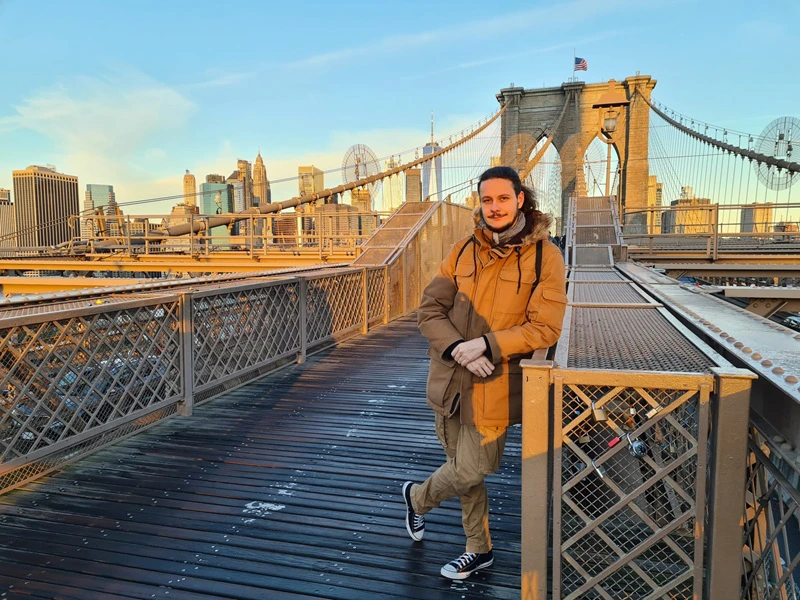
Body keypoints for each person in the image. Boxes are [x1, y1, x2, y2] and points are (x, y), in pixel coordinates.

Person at [402, 165, 567, 580]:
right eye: (487, 199)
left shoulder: (546, 256)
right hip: (449, 381)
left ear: (520, 200)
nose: (494, 207)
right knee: (464, 472)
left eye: (503, 198)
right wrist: (459, 347)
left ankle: (417, 499)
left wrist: (488, 346)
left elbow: (545, 326)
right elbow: (428, 310)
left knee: (472, 469)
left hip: (495, 385)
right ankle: (480, 549)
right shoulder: (460, 251)